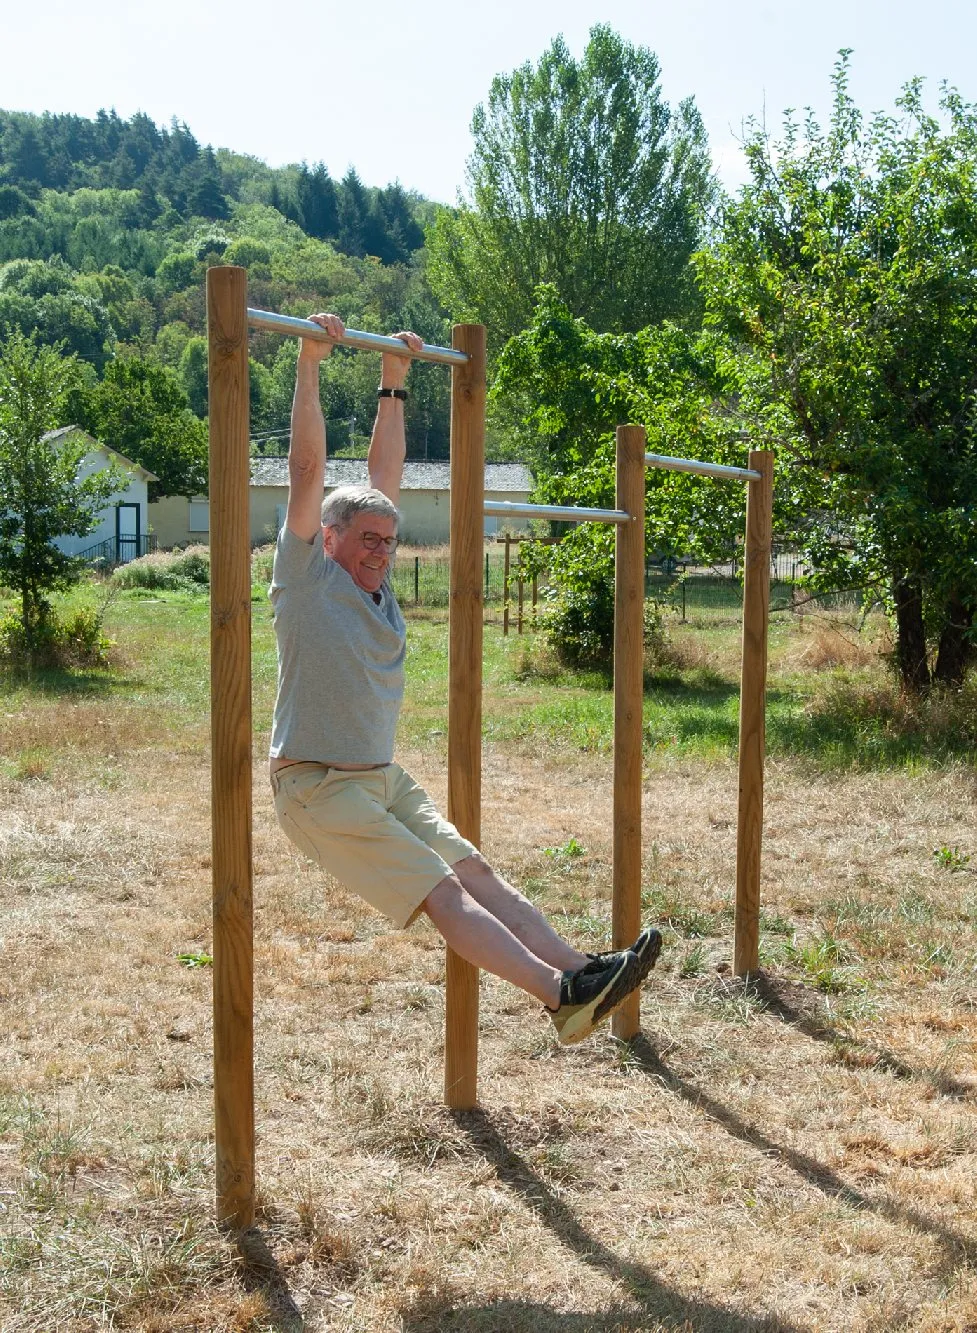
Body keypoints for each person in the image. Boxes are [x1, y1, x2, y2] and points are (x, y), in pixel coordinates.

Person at [268, 314, 661, 1045]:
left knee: (471, 868)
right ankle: (558, 997)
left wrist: (393, 383)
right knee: (442, 890)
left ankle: (584, 969)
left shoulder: (372, 581)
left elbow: (381, 483)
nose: (380, 552)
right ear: (327, 538)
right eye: (365, 541)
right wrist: (309, 361)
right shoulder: (306, 577)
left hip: (379, 778)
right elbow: (307, 474)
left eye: (387, 541)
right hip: (317, 785)